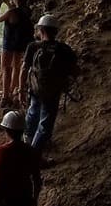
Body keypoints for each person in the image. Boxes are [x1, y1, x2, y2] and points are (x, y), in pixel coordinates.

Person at [19, 14, 78, 152]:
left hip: (35, 89)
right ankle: (34, 153)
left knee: (32, 115)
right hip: (53, 91)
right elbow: (75, 70)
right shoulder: (64, 49)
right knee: (45, 123)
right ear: (56, 31)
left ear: (41, 30)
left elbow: (24, 69)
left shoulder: (33, 46)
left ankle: (26, 149)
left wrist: (21, 89)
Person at [0, 112, 42, 206]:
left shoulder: (2, 151)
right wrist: (34, 199)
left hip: (5, 199)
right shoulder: (30, 150)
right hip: (24, 197)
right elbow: (37, 178)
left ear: (6, 130)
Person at [0, 0, 34, 109]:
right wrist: (8, 3)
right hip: (21, 44)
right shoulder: (28, 11)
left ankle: (5, 97)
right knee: (17, 69)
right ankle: (14, 93)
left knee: (6, 69)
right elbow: (16, 13)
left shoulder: (11, 12)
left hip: (9, 44)